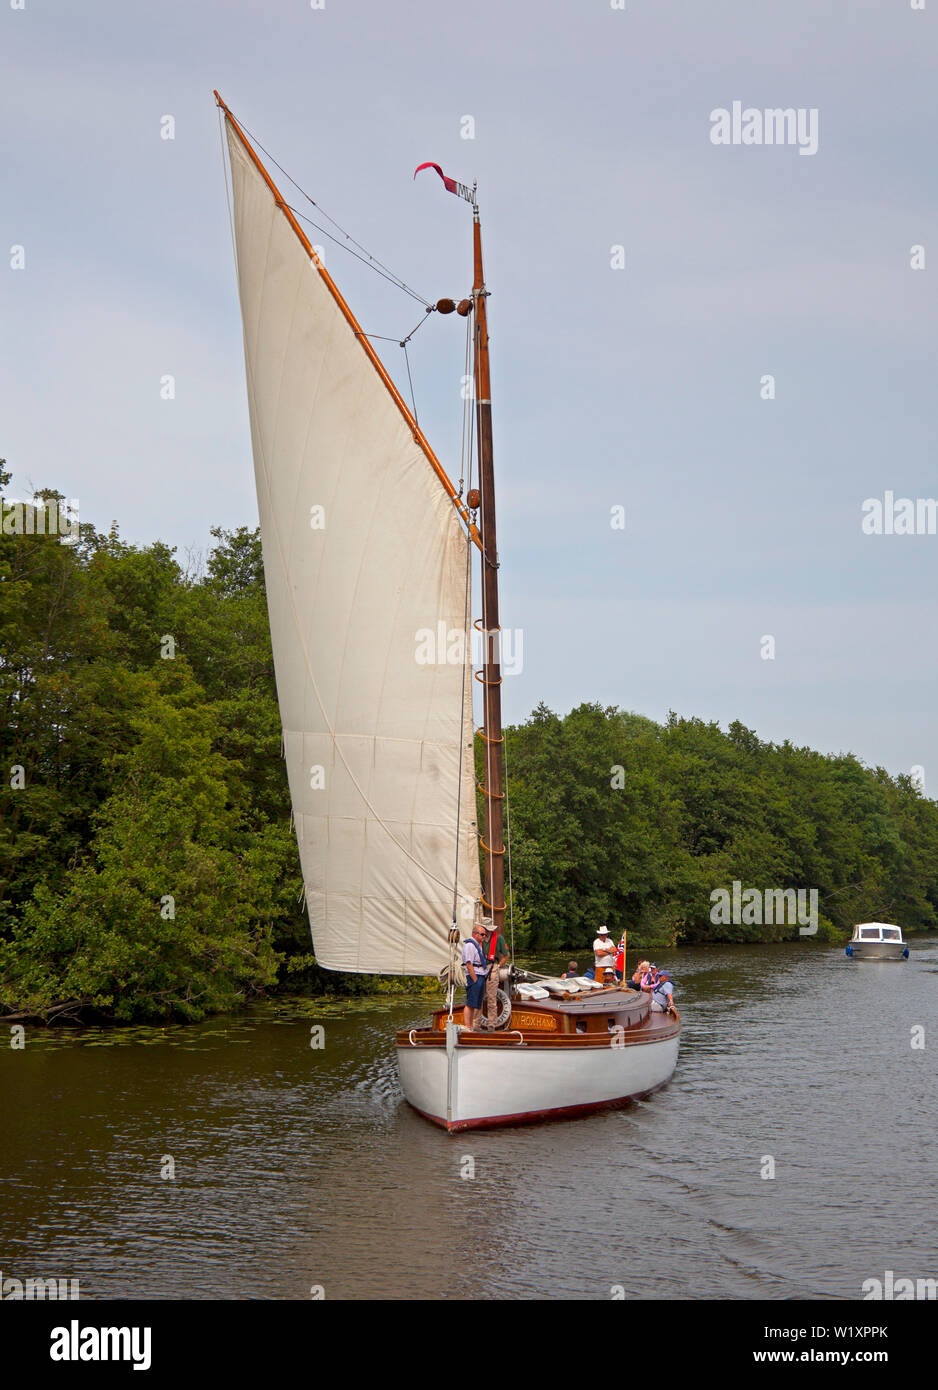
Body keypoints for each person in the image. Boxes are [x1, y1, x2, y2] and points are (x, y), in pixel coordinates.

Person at [482, 919, 510, 1026]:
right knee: (478, 995)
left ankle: (491, 1023)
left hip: (492, 966)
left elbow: (506, 954)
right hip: (480, 967)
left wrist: (498, 965)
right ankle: (476, 1023)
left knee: (491, 996)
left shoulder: (498, 938)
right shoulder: (479, 937)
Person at [462, 923, 489, 1030]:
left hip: (480, 974)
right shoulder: (470, 945)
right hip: (475, 975)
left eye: (485, 935)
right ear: (475, 934)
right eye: (482, 934)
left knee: (475, 1003)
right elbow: (469, 964)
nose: (484, 937)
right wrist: (475, 980)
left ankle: (471, 1026)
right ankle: (467, 1026)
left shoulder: (477, 946)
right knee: (470, 1002)